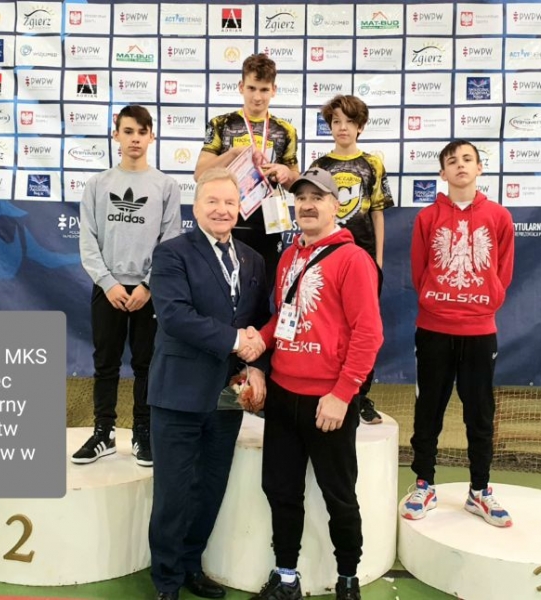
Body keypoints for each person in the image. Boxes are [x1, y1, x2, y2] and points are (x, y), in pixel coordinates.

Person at [251, 168, 383, 600]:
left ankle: (348, 578)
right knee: (281, 490)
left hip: (328, 402)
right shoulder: (289, 256)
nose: (307, 205)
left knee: (338, 496)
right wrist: (259, 341)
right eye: (301, 197)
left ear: (335, 205)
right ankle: (286, 575)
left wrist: (343, 394)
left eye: (317, 198)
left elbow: (368, 334)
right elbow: (284, 318)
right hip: (283, 395)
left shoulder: (353, 259)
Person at [148, 168, 270, 600]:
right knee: (174, 492)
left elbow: (260, 320)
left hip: (228, 395)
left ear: (240, 208)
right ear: (196, 207)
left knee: (210, 486)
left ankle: (190, 565)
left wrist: (258, 365)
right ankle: (166, 580)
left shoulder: (253, 259)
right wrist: (238, 340)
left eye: (229, 202)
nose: (222, 210)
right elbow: (176, 316)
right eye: (212, 201)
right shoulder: (171, 254)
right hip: (178, 393)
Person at [400, 140, 515, 528]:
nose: (460, 165)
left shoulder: (499, 216)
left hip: (479, 331)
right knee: (428, 411)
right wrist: (439, 301)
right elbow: (419, 271)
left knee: (479, 413)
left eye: (467, 159)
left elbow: (503, 271)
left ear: (479, 168)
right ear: (442, 173)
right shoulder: (427, 217)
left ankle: (479, 489)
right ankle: (424, 484)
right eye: (452, 161)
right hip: (434, 329)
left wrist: (485, 301)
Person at [72, 105, 181, 468]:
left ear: (152, 137)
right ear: (115, 135)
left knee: (146, 364)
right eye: (129, 131)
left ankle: (142, 432)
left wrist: (148, 286)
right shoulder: (97, 185)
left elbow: (170, 242)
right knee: (105, 363)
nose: (135, 139)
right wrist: (107, 282)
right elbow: (87, 240)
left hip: (148, 293)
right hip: (109, 290)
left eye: (142, 132)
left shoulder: (166, 186)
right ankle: (103, 432)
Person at [309, 94, 394, 426]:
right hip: (327, 259)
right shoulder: (320, 165)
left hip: (364, 259)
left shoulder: (372, 164)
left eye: (349, 121)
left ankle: (359, 395)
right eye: (336, 121)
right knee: (327, 325)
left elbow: (377, 213)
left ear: (361, 127)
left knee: (363, 329)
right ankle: (326, 388)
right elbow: (312, 213)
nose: (342, 127)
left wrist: (378, 260)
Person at [194, 54, 298, 285]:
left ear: (274, 90)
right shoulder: (221, 124)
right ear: (241, 87)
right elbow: (200, 175)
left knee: (262, 292)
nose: (257, 97)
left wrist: (285, 172)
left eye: (264, 89)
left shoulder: (286, 130)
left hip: (268, 224)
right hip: (226, 219)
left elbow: (296, 183)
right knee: (222, 290)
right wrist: (232, 154)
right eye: (251, 88)